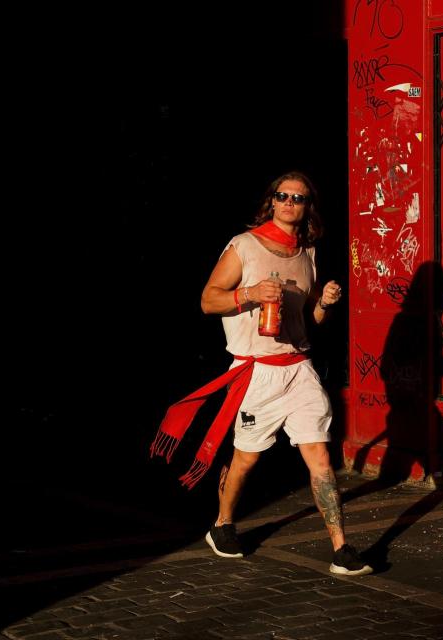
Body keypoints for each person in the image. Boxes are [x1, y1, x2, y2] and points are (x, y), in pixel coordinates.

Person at [150, 171, 372, 576]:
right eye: (283, 196)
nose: (290, 202)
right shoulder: (245, 245)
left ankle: (342, 549)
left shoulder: (307, 252)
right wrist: (250, 293)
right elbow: (207, 301)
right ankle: (222, 525)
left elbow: (309, 323)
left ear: (307, 207)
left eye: (299, 198)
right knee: (247, 459)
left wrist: (324, 302)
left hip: (299, 369)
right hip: (256, 373)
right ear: (272, 201)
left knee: (320, 456)